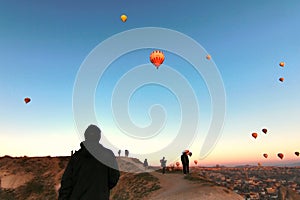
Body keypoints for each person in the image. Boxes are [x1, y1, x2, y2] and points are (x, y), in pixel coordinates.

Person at [58, 124, 120, 200]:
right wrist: (101, 188)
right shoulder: (108, 155)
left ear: (85, 136)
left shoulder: (76, 157)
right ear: (99, 137)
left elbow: (66, 184)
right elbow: (114, 178)